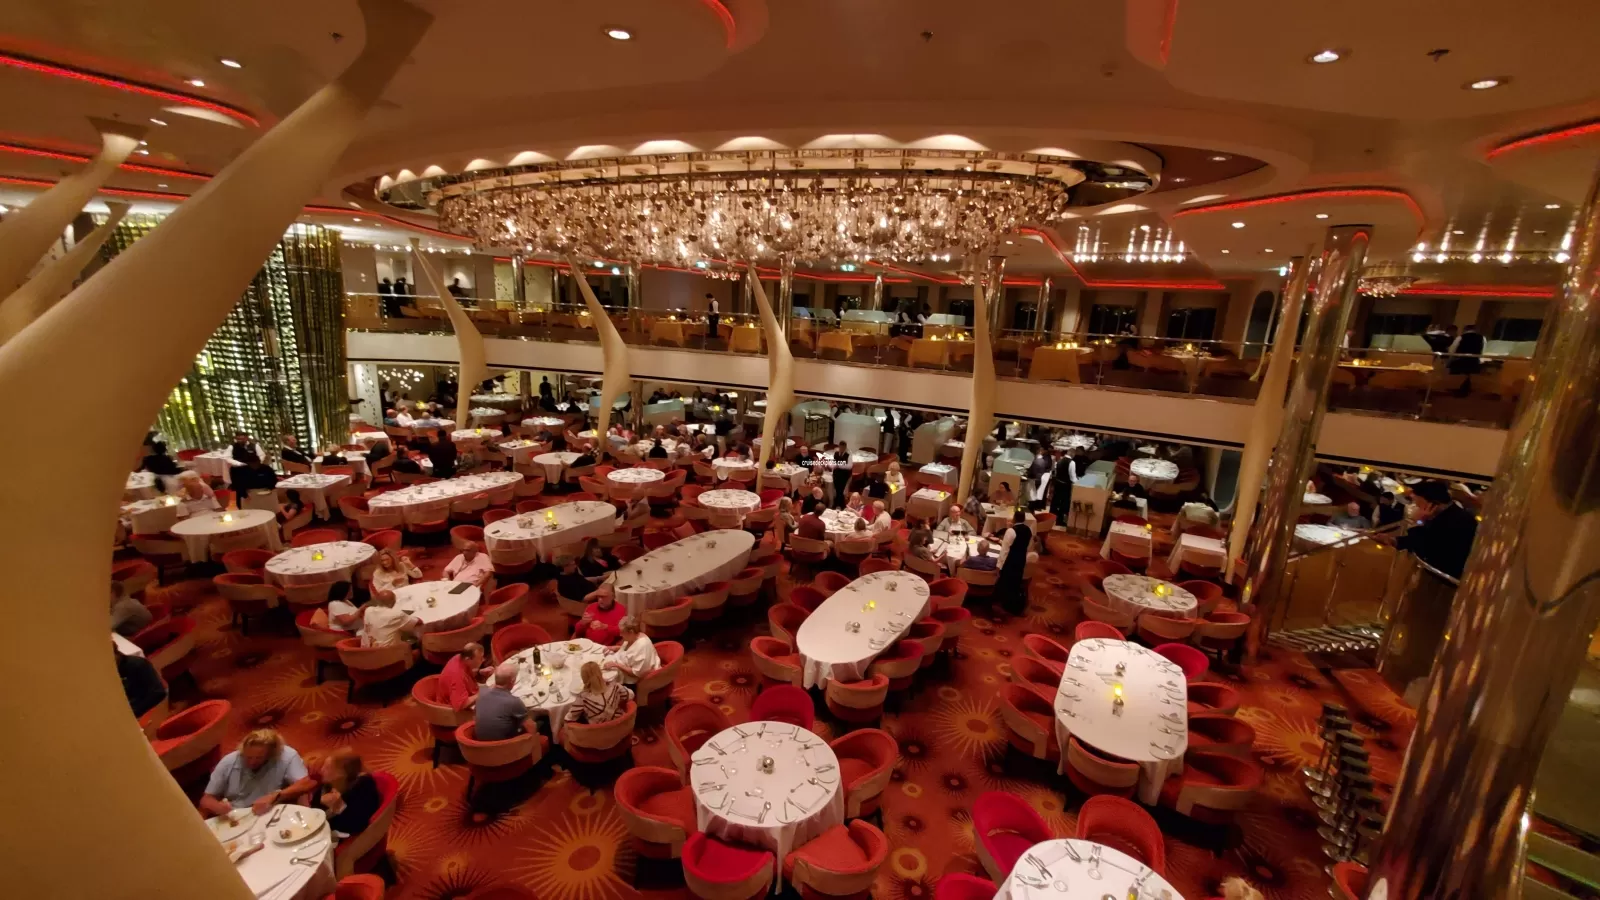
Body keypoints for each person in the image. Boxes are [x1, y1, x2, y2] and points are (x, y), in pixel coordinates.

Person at [199, 729, 317, 818]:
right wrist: (218, 807)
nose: (252, 762)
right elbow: (206, 799)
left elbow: (306, 783)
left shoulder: (286, 755)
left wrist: (275, 796)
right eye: (248, 757)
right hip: (237, 815)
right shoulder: (228, 762)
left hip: (270, 812)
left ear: (271, 754)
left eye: (258, 758)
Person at [1393, 480, 1479, 578]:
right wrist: (1394, 541)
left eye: (1418, 505)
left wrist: (1418, 522)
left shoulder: (1455, 520)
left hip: (1446, 578)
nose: (1416, 509)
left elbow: (1424, 546)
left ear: (1432, 505)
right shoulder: (1444, 515)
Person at [313, 748, 383, 837]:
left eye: (327, 768)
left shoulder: (363, 786)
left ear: (341, 773)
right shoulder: (328, 786)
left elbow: (357, 825)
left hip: (358, 838)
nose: (321, 770)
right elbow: (314, 811)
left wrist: (339, 807)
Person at [334, 590, 420, 647]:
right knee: (413, 638)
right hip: (386, 654)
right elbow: (417, 623)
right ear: (394, 602)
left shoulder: (368, 610)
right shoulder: (397, 614)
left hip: (365, 651)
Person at [475, 662, 533, 740]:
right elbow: (531, 728)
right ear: (513, 681)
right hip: (506, 745)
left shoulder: (481, 693)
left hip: (480, 744)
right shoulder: (514, 702)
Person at [566, 661, 634, 724]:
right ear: (600, 673)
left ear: (584, 679)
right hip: (620, 725)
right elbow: (631, 695)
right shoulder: (615, 686)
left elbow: (570, 718)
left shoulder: (583, 697)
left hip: (598, 731)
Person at [995, 509, 1034, 616]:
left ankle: (1005, 603)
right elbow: (1027, 546)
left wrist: (999, 566)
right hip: (1021, 559)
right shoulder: (1028, 530)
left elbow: (1005, 550)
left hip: (1010, 559)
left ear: (1014, 519)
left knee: (1007, 580)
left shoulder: (1011, 531)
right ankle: (1013, 604)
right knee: (1016, 580)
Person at [437, 641, 491, 712]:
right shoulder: (457, 676)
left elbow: (467, 672)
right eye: (480, 658)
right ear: (468, 659)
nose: (483, 660)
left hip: (469, 694)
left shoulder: (460, 658)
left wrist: (480, 672)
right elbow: (461, 705)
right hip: (452, 710)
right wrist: (482, 693)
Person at [604, 616, 659, 684]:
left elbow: (635, 673)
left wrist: (616, 665)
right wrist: (614, 648)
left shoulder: (642, 646)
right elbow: (630, 650)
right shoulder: (635, 636)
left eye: (622, 632)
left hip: (632, 678)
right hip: (619, 663)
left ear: (631, 632)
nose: (620, 635)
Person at [117, 647, 166, 718]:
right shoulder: (110, 671)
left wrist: (131, 713)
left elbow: (158, 693)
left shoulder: (138, 664)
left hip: (146, 710)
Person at [831, 442, 852, 507]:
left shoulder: (848, 455)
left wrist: (839, 466)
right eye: (840, 447)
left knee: (841, 490)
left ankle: (840, 505)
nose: (841, 449)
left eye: (843, 448)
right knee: (837, 490)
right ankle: (838, 504)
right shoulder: (836, 453)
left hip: (844, 475)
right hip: (836, 474)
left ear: (845, 448)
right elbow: (833, 463)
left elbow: (849, 466)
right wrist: (833, 466)